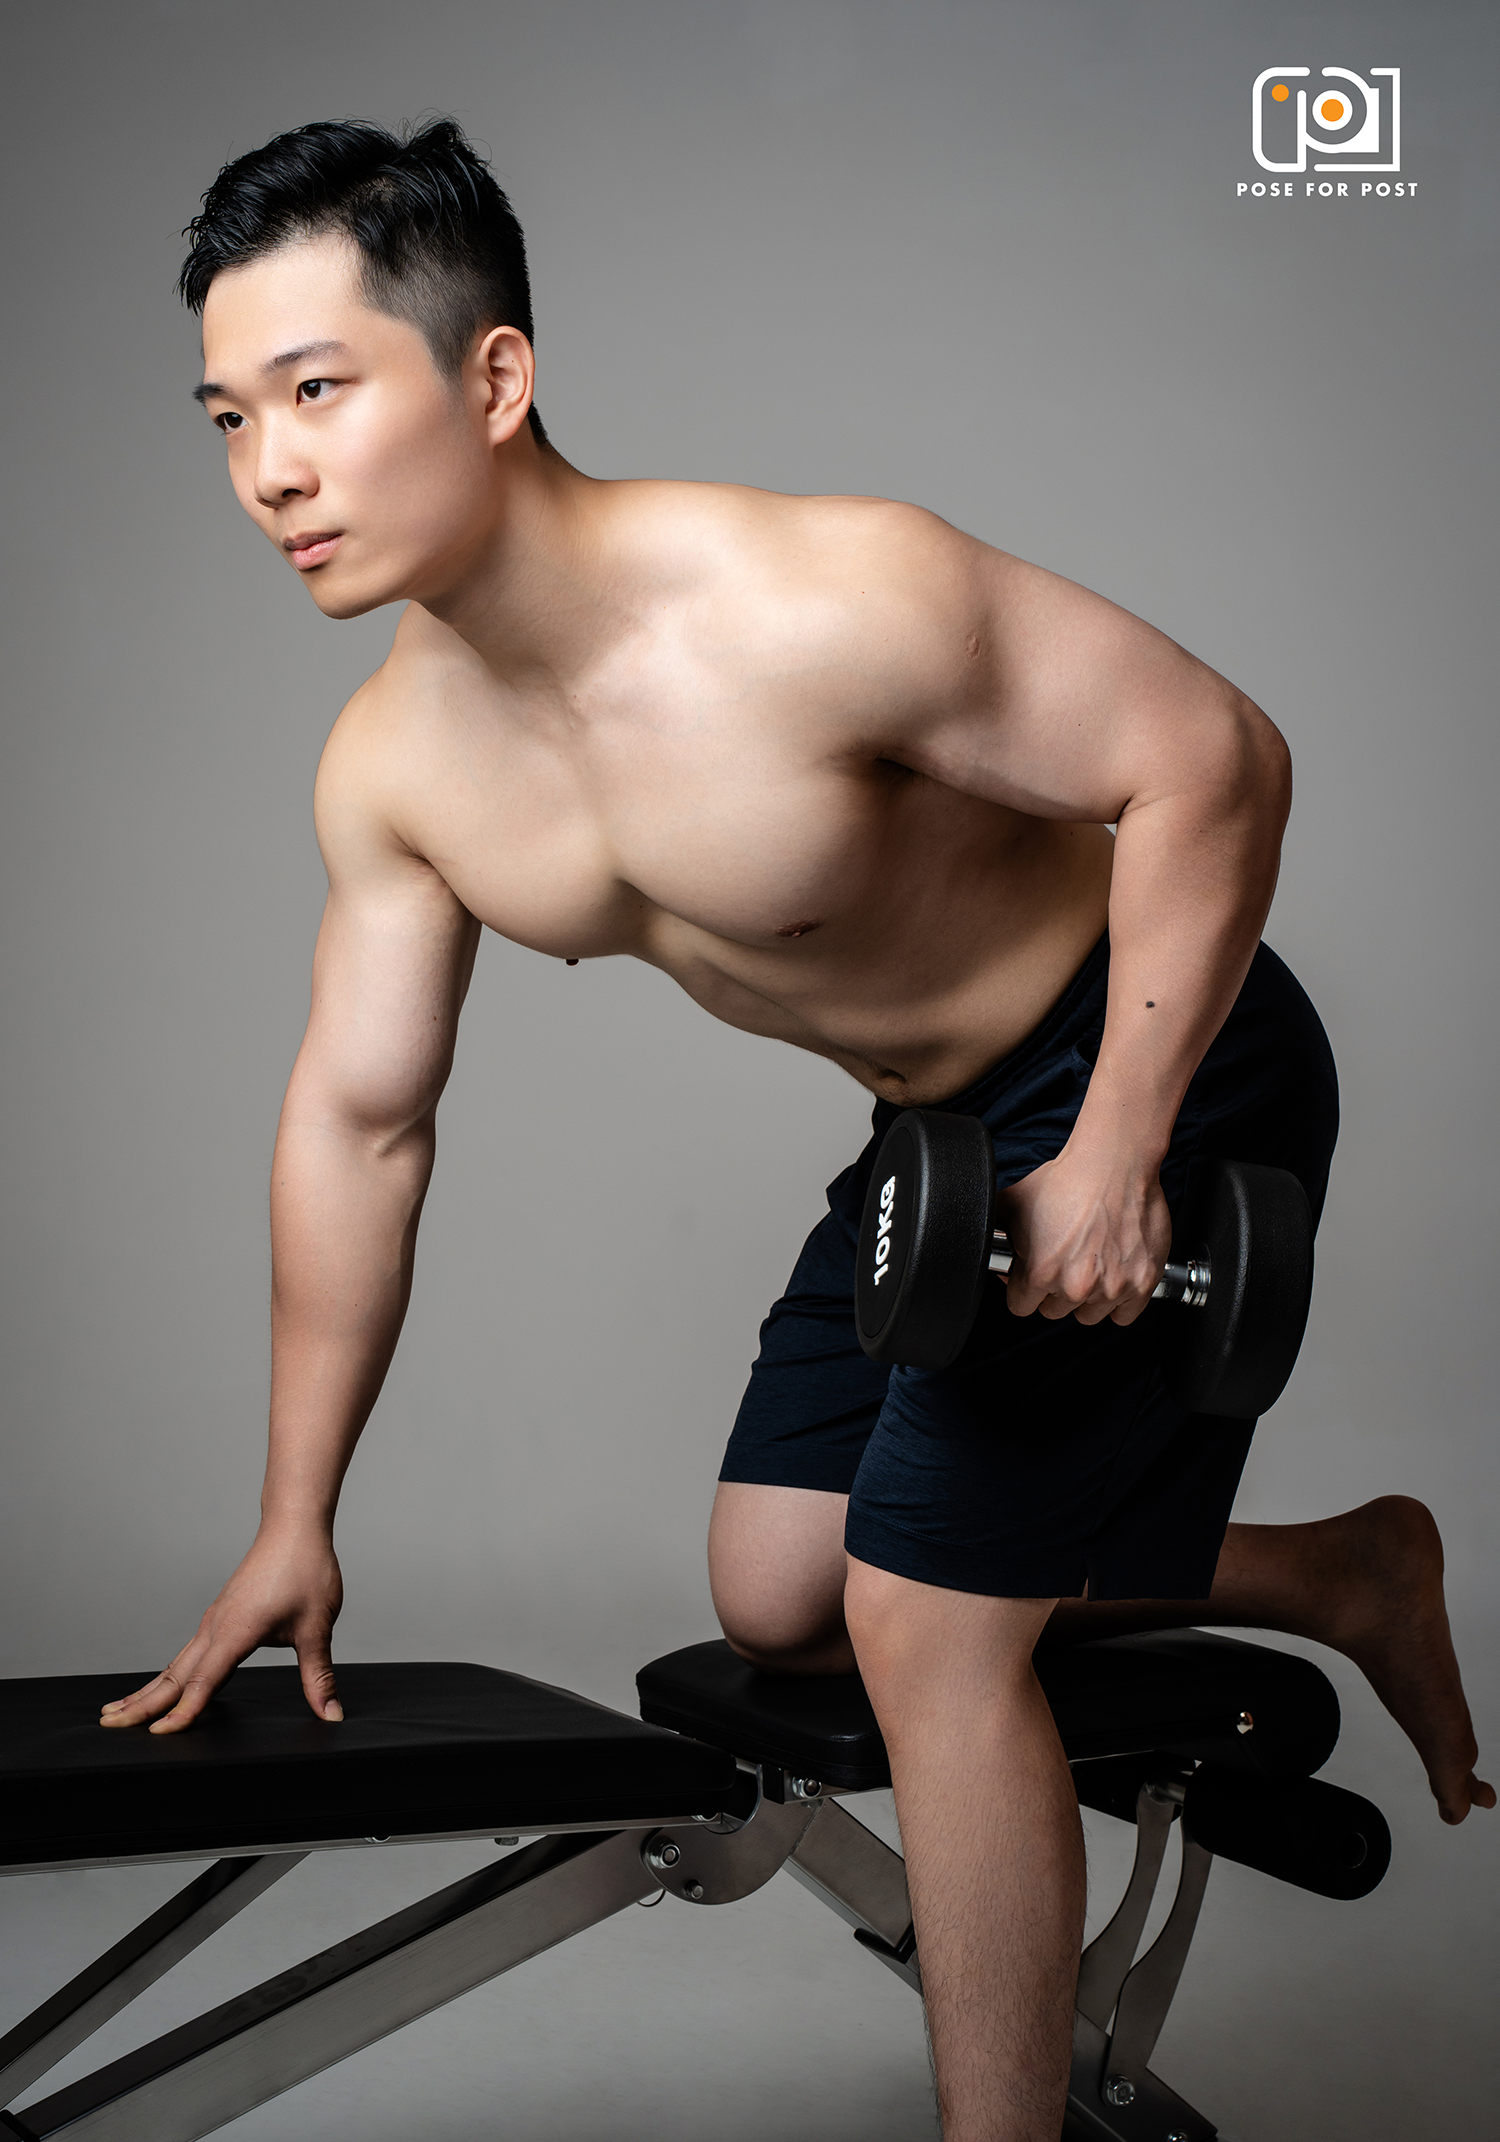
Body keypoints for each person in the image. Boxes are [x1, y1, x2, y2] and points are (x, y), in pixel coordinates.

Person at [99, 119, 1490, 2142]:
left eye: (317, 391)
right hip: (941, 1129)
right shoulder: (394, 767)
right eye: (230, 417)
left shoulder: (818, 598)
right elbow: (361, 1123)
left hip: (1161, 1054)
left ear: (494, 378)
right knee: (779, 1588)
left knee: (922, 1624)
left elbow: (1215, 761)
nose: (268, 471)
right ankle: (1338, 1571)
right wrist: (295, 1512)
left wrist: (1119, 1148)